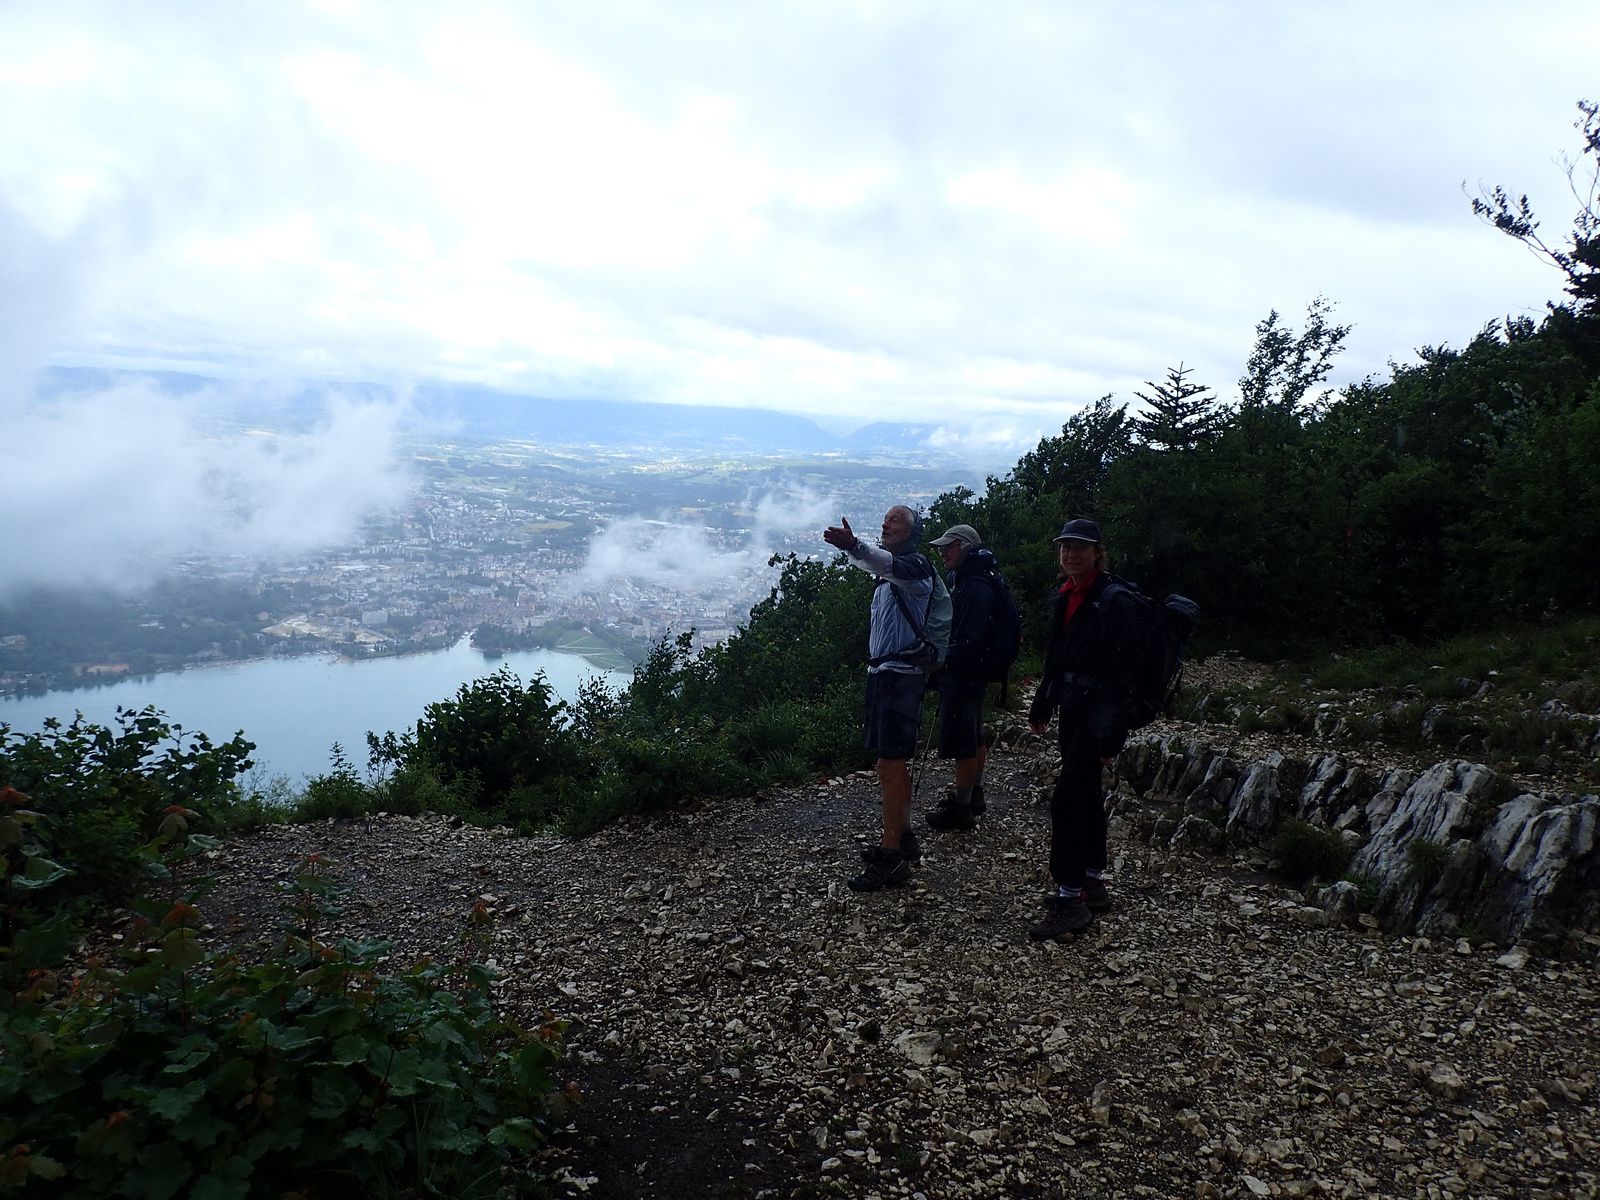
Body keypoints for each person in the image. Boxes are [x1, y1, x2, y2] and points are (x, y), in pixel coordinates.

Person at [1025, 518, 1141, 940]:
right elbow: (1057, 657)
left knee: (1066, 802)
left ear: (1097, 552)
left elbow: (1124, 673)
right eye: (1065, 547)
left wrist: (1113, 733)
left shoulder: (1113, 602)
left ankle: (1069, 898)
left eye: (1080, 547)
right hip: (1074, 707)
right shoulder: (1067, 596)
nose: (1070, 554)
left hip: (1098, 712)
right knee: (1087, 792)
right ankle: (1091, 881)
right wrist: (1044, 702)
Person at [823, 505, 937, 891]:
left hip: (900, 678)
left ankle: (891, 858)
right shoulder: (889, 575)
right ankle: (903, 839)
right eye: (885, 519)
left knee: (890, 765)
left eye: (896, 520)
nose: (887, 524)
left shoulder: (916, 568)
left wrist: (855, 545)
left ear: (911, 532)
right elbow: (878, 565)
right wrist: (854, 551)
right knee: (891, 764)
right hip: (885, 675)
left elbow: (885, 563)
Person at [923, 523, 998, 832]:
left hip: (964, 672)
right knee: (975, 733)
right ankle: (973, 794)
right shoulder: (977, 579)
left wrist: (941, 660)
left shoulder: (974, 586)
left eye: (949, 547)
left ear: (965, 547)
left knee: (964, 741)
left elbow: (969, 638)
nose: (943, 553)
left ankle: (962, 807)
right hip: (974, 672)